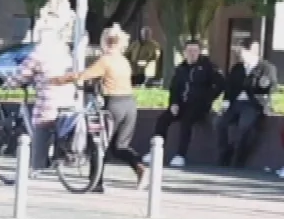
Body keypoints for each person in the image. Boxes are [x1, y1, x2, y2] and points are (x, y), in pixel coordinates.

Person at [56, 27, 146, 189]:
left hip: (114, 105)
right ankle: (138, 165)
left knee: (98, 143)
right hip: (130, 104)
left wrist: (60, 80)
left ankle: (96, 182)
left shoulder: (105, 60)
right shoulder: (123, 61)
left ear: (105, 42)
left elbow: (84, 75)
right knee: (120, 146)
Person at [8, 0, 77, 172]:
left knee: (41, 121)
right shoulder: (63, 49)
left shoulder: (42, 50)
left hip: (50, 101)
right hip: (68, 99)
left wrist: (10, 84)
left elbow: (23, 72)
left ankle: (37, 166)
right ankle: (58, 156)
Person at [154, 39, 220, 168]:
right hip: (181, 104)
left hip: (199, 106)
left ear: (200, 52)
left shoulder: (208, 67)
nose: (192, 54)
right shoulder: (181, 68)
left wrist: (207, 99)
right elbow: (174, 88)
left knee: (186, 122)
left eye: (195, 51)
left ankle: (180, 155)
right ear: (184, 52)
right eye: (189, 51)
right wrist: (173, 103)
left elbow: (220, 84)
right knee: (163, 119)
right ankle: (155, 152)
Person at [217, 38, 278, 168]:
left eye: (244, 52)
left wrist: (263, 87)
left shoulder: (266, 68)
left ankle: (239, 158)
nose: (241, 55)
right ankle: (226, 152)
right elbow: (229, 86)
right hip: (236, 103)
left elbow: (271, 87)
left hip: (253, 104)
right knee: (219, 123)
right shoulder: (237, 68)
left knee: (244, 126)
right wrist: (226, 102)